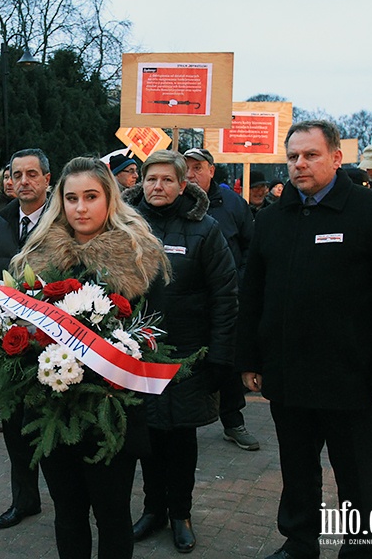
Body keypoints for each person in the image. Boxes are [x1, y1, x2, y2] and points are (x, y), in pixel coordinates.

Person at [237, 121, 372, 559]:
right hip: (288, 374)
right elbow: (254, 295)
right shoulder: (272, 218)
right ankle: (299, 542)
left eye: (311, 155)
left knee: (358, 477)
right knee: (297, 471)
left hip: (351, 379)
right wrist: (249, 359)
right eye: (293, 157)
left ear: (337, 158)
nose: (299, 164)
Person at [10, 156, 170, 559]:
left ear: (109, 199)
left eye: (91, 197)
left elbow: (157, 336)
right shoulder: (36, 257)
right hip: (51, 409)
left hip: (110, 412)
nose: (80, 208)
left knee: (112, 514)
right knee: (67, 514)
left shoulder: (138, 257)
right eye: (72, 198)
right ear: (59, 202)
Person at [125, 150, 238, 553]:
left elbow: (225, 296)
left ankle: (180, 514)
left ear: (182, 185)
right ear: (142, 183)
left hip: (187, 356)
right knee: (147, 436)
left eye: (167, 180)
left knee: (180, 439)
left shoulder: (205, 230)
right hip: (135, 353)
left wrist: (219, 356)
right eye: (151, 179)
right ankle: (153, 509)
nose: (158, 186)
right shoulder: (125, 227)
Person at [0, 148, 51, 529]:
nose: (23, 181)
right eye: (17, 174)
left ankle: (68, 501)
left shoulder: (63, 221)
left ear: (47, 180)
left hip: (52, 345)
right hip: (8, 343)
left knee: (50, 426)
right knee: (16, 430)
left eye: (31, 174)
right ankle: (24, 500)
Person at [183, 148, 259, 454]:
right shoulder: (178, 202)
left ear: (212, 170)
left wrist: (236, 283)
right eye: (185, 168)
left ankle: (233, 422)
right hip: (187, 302)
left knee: (225, 361)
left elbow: (251, 248)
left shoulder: (233, 205)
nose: (190, 174)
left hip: (224, 300)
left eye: (197, 167)